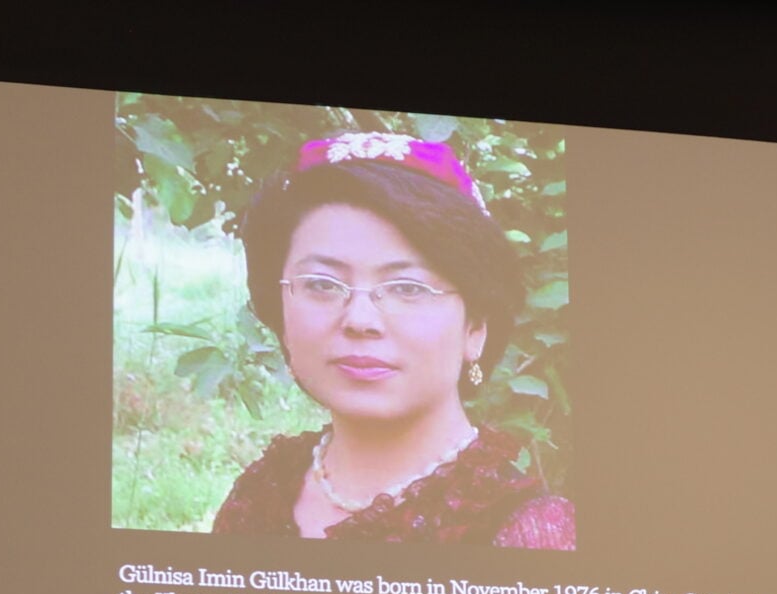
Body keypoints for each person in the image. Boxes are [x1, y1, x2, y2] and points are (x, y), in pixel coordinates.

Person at [212, 133, 575, 549]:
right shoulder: (263, 491)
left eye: (407, 288)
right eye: (322, 284)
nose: (360, 321)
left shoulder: (531, 532)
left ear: (475, 327)